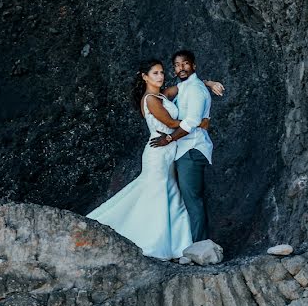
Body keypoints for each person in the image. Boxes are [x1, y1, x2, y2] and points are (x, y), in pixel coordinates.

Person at [87, 58, 222, 259]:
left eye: (161, 72)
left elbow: (187, 86)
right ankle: (148, 240)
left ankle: (179, 245)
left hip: (170, 151)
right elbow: (171, 122)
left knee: (172, 194)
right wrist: (200, 123)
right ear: (145, 77)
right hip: (158, 152)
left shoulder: (163, 94)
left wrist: (209, 83)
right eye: (155, 73)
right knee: (155, 193)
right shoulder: (150, 99)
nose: (160, 76)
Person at [149, 50, 214, 243]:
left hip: (192, 150)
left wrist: (168, 139)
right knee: (187, 200)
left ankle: (200, 246)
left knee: (193, 201)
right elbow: (161, 94)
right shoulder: (184, 86)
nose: (181, 68)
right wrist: (209, 83)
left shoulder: (194, 89)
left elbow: (191, 121)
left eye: (185, 64)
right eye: (177, 65)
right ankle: (189, 243)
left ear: (193, 65)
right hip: (183, 150)